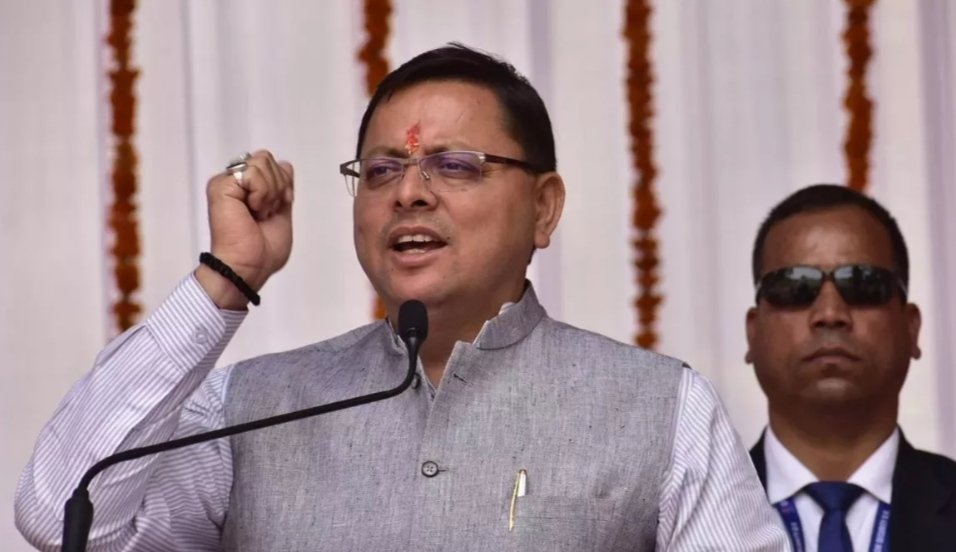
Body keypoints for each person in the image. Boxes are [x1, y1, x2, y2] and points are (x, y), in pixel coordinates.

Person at [16, 44, 788, 551]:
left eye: (455, 165)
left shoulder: (661, 409)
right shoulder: (252, 409)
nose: (409, 192)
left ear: (544, 207)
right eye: (382, 171)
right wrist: (225, 277)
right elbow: (64, 517)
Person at [744, 184, 956, 552]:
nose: (830, 313)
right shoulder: (672, 526)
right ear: (753, 332)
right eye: (795, 286)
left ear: (911, 328)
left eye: (862, 284)